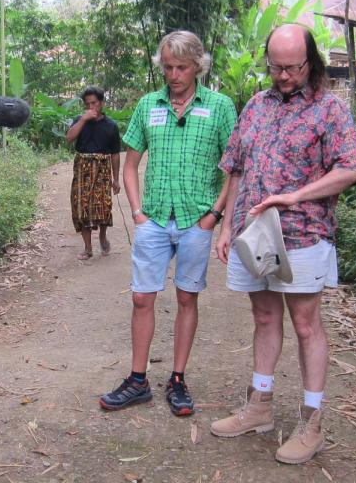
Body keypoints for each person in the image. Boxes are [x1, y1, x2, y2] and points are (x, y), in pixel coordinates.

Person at [210, 23, 356, 464]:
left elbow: (352, 168)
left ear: (310, 61)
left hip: (303, 234)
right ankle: (259, 405)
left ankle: (311, 422)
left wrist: (296, 194)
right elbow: (236, 168)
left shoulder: (330, 110)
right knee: (263, 317)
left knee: (305, 324)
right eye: (275, 67)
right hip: (254, 234)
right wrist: (225, 227)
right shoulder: (256, 105)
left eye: (292, 67)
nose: (282, 75)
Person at [99, 30, 237, 416]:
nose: (174, 75)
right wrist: (138, 212)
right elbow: (130, 166)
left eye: (182, 67)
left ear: (198, 66)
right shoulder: (148, 105)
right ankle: (138, 379)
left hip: (197, 218)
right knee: (142, 297)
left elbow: (233, 167)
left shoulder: (220, 106)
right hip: (155, 218)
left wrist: (215, 215)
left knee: (186, 296)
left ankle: (177, 379)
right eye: (168, 67)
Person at [66, 86, 122, 260]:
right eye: (88, 104)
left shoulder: (111, 126)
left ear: (102, 103)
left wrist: (116, 179)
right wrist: (83, 120)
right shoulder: (79, 120)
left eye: (94, 103)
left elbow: (115, 154)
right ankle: (88, 248)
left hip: (102, 169)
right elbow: (69, 138)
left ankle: (103, 236)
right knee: (80, 207)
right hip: (82, 168)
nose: (91, 107)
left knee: (103, 207)